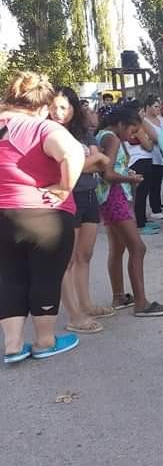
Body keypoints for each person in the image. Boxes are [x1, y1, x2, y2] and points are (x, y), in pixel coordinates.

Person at [0, 72, 86, 363]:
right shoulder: (40, 127)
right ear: (42, 105)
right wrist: (63, 188)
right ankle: (45, 341)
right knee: (45, 277)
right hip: (42, 213)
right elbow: (72, 153)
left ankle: (13, 345)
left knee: (9, 278)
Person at [96, 105, 163, 317]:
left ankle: (119, 296)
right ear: (121, 124)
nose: (132, 136)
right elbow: (108, 174)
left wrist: (126, 173)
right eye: (132, 130)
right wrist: (130, 179)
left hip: (107, 197)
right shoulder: (112, 139)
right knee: (138, 248)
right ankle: (141, 303)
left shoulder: (104, 136)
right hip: (115, 197)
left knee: (117, 248)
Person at [50, 87, 113, 334]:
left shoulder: (82, 132)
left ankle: (86, 304)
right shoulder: (50, 134)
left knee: (85, 255)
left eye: (63, 107)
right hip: (67, 198)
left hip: (88, 195)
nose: (58, 112)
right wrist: (94, 160)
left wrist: (87, 162)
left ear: (73, 108)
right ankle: (74, 315)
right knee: (66, 260)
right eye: (54, 107)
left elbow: (101, 162)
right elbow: (67, 169)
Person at [127, 97, 158, 235]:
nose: (143, 114)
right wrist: (150, 141)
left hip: (138, 160)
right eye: (141, 111)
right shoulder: (137, 127)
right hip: (140, 161)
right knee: (141, 194)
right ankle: (140, 223)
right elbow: (148, 146)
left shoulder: (131, 125)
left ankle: (143, 219)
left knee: (142, 193)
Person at [143, 95, 163, 219]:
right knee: (155, 183)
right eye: (155, 107)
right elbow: (154, 137)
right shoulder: (145, 121)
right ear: (148, 107)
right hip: (154, 155)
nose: (158, 109)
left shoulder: (161, 118)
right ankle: (155, 209)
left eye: (159, 107)